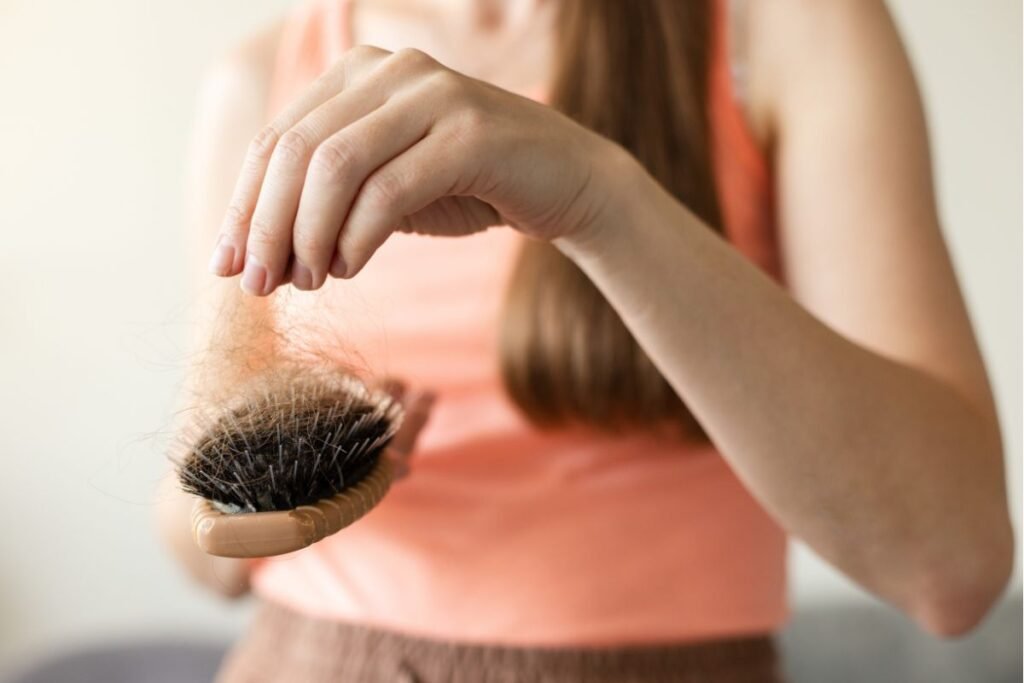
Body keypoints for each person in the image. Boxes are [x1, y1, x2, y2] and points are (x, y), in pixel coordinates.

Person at [158, 0, 1014, 680]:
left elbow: (953, 565)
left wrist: (599, 196)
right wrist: (308, 474)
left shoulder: (787, 29)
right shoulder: (267, 81)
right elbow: (195, 539)